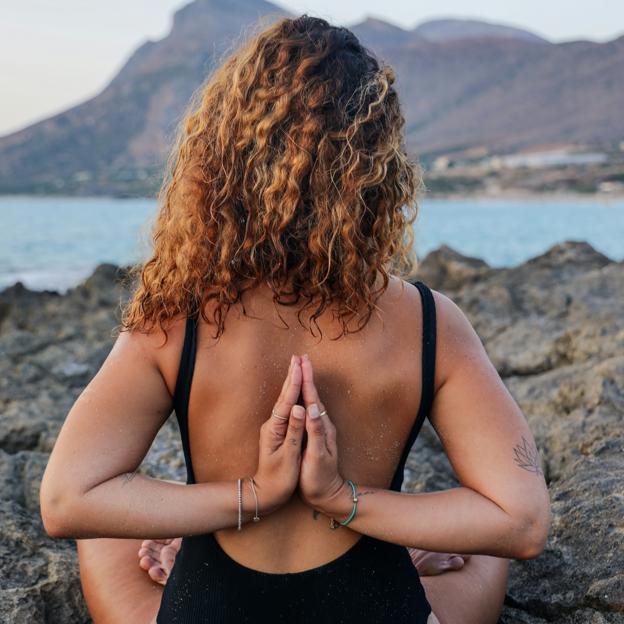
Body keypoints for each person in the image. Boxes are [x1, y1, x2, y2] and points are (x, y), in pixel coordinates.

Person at [39, 14, 551, 624]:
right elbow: (521, 524)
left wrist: (246, 499)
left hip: (213, 610)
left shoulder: (178, 317)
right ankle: (397, 536)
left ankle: (206, 536)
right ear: (377, 169)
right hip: (372, 610)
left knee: (106, 526)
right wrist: (344, 501)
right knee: (480, 541)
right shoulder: (428, 321)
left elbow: (68, 501)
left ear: (223, 156)